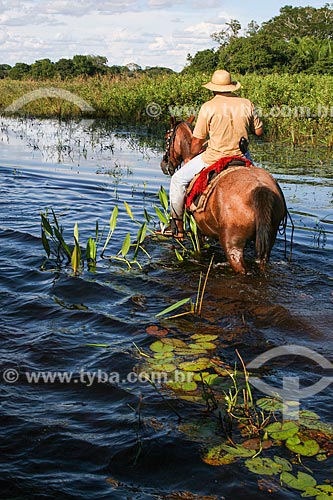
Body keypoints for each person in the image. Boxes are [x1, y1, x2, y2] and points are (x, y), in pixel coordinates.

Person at [169, 69, 263, 238]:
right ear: (232, 87)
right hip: (242, 157)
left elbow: (197, 141)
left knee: (177, 180)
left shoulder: (208, 107)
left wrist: (191, 155)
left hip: (214, 157)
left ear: (212, 88)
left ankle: (177, 227)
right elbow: (258, 132)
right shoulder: (247, 103)